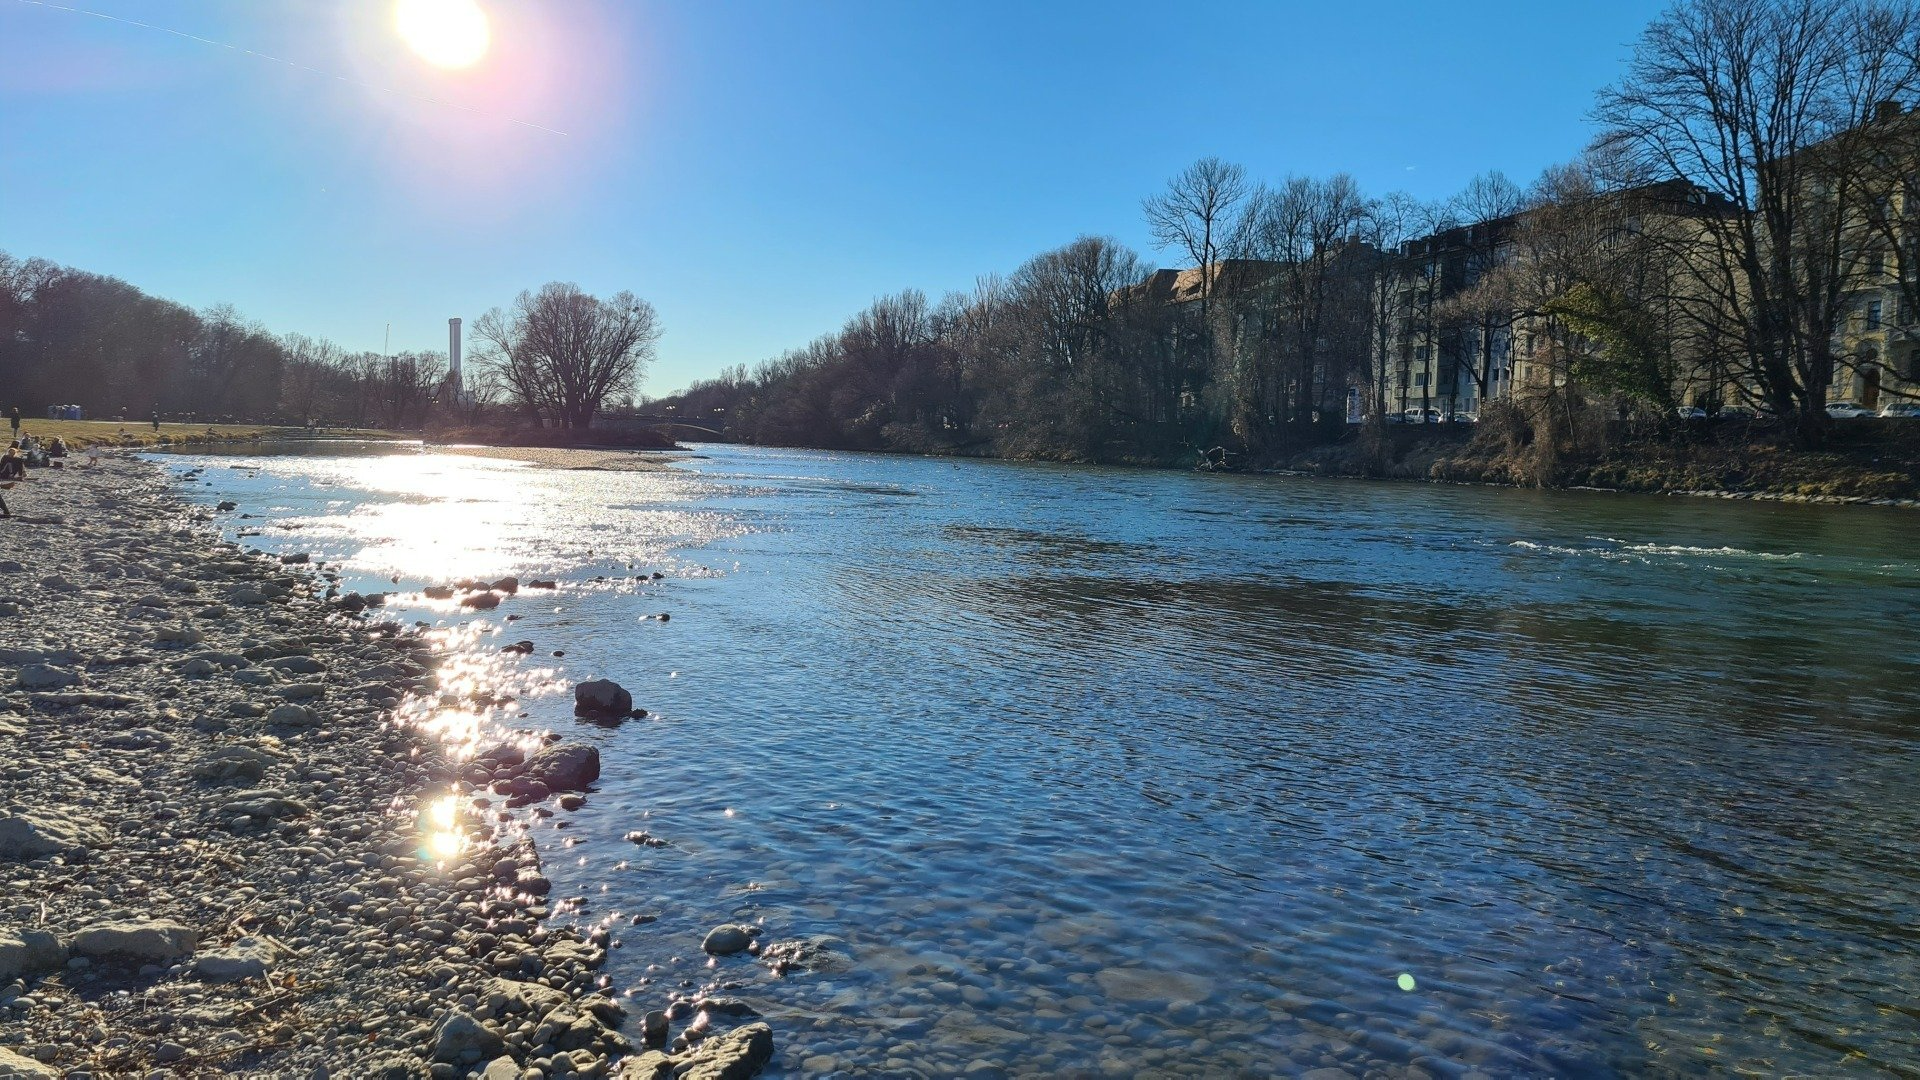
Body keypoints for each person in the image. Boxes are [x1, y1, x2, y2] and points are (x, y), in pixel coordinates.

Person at [0, 445, 25, 519]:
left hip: (10, 474)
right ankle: (6, 511)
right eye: (10, 452)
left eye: (13, 452)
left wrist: (21, 475)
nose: (11, 454)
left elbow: (20, 468)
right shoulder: (5, 457)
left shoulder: (18, 459)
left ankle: (6, 511)